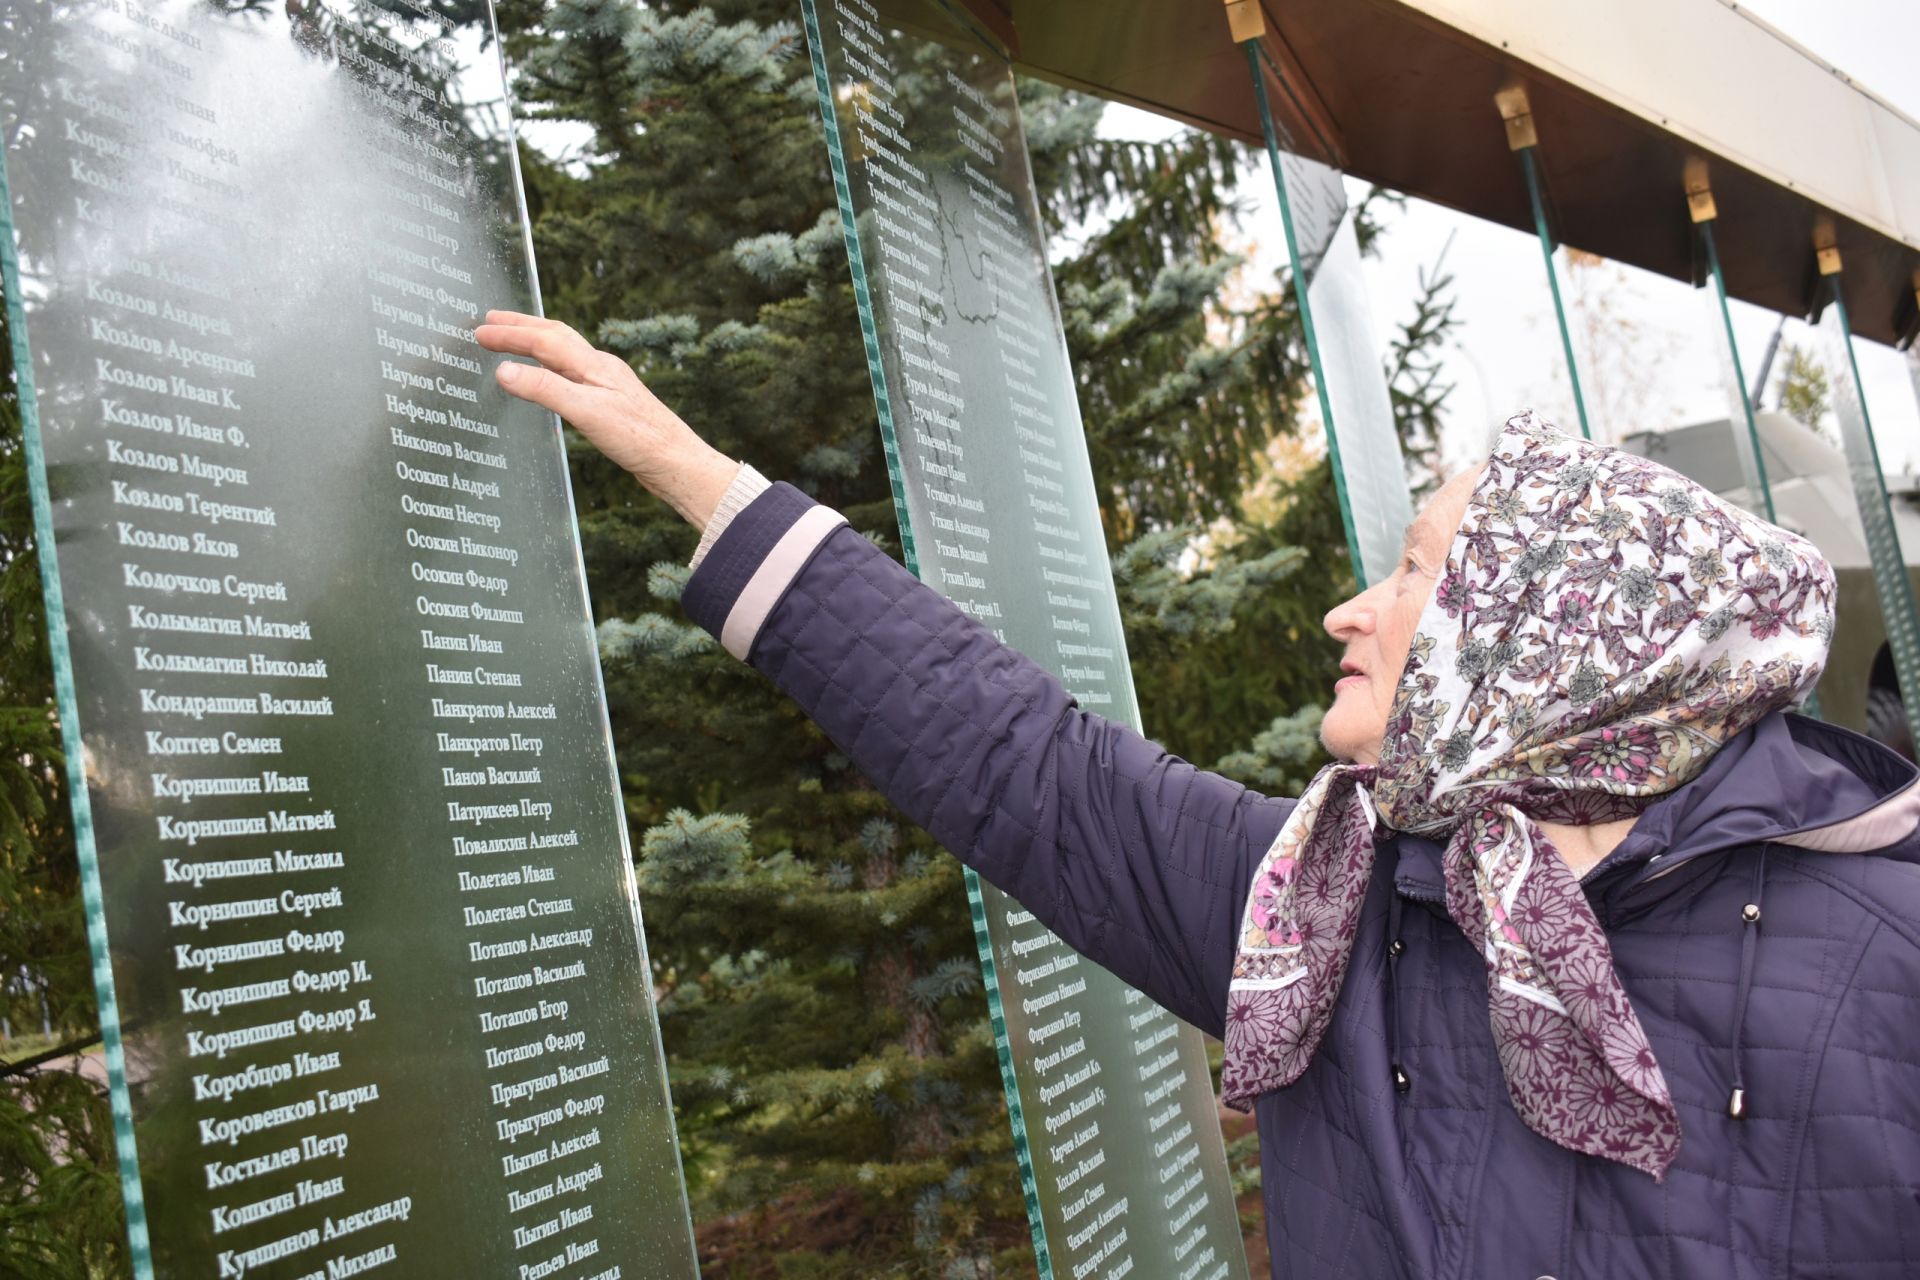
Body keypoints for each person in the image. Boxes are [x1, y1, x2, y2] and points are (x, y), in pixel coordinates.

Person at [476, 310, 1920, 1278]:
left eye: (1417, 572)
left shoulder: (1884, 949)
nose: (1351, 612)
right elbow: (1024, 766)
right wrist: (702, 481)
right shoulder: (1334, 903)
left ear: (1548, 637)